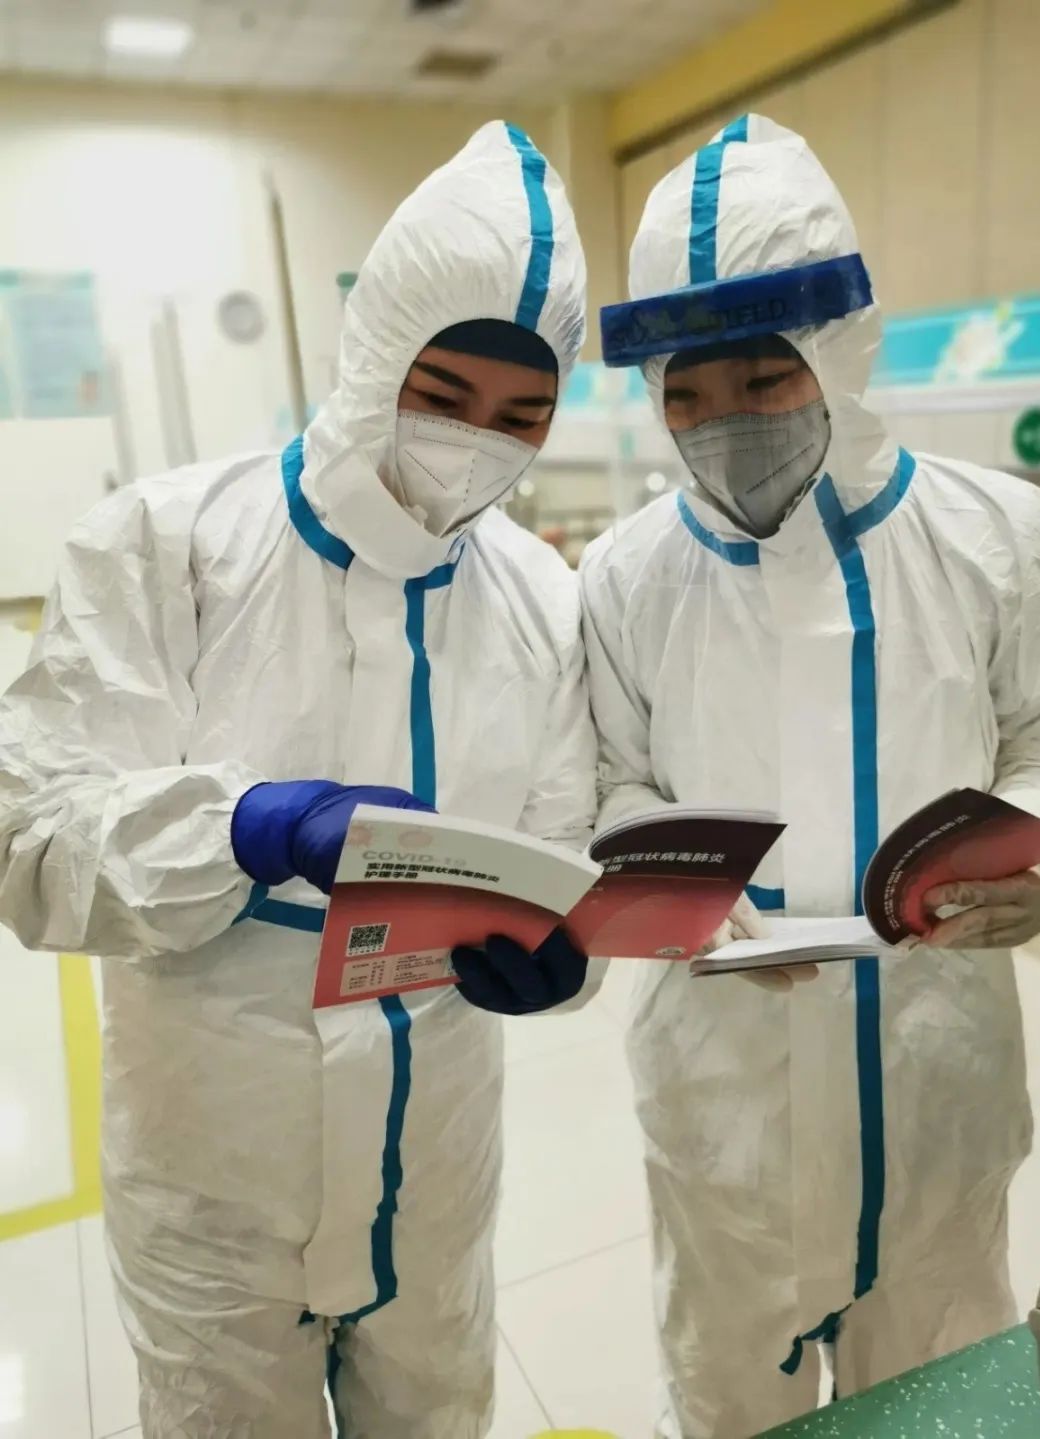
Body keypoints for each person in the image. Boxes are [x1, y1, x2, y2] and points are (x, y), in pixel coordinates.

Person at [0, 121, 597, 1438]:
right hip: (218, 1167)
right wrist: (247, 829)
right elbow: (32, 844)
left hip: (436, 1158)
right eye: (443, 394)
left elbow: (566, 837)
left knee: (436, 1416)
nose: (476, 442)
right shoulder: (167, 544)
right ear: (375, 351)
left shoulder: (542, 596)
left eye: (523, 417)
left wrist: (567, 955)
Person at [581, 113, 1040, 1438]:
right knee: (731, 1401)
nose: (724, 425)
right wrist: (677, 892)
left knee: (931, 1394)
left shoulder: (996, 536)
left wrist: (1038, 859)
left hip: (938, 1077)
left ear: (836, 353)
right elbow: (610, 783)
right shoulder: (626, 575)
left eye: (764, 380)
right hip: (722, 1094)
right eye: (685, 396)